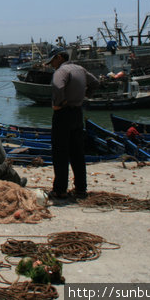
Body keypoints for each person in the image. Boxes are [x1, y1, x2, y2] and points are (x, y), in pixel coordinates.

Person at [47, 48, 99, 200]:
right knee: (77, 153)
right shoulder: (80, 69)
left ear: (58, 58)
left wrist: (59, 103)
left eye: (52, 61)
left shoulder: (61, 71)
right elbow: (95, 82)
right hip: (77, 113)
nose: (51, 65)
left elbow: (57, 86)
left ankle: (60, 190)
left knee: (60, 153)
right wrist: (86, 96)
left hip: (63, 114)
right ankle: (81, 189)